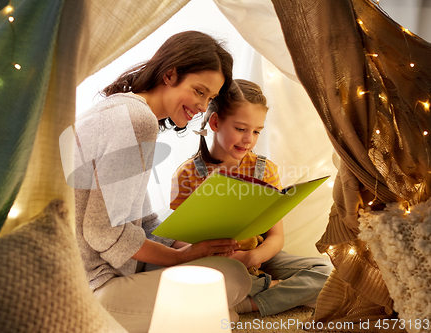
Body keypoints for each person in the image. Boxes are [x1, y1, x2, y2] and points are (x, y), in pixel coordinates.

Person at [73, 31, 251, 333]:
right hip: (90, 285)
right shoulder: (136, 120)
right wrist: (181, 256)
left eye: (209, 98)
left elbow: (141, 220)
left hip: (103, 269)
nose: (201, 105)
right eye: (198, 91)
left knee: (224, 278)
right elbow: (101, 230)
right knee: (232, 280)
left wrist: (195, 246)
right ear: (169, 75)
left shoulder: (124, 109)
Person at [170, 79, 333, 317]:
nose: (249, 139)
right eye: (240, 129)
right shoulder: (187, 174)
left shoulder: (265, 170)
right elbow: (177, 242)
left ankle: (246, 304)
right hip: (213, 261)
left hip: (256, 255)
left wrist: (253, 256)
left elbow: (276, 237)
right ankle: (266, 288)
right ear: (215, 122)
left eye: (257, 131)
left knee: (325, 273)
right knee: (190, 277)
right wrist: (213, 253)